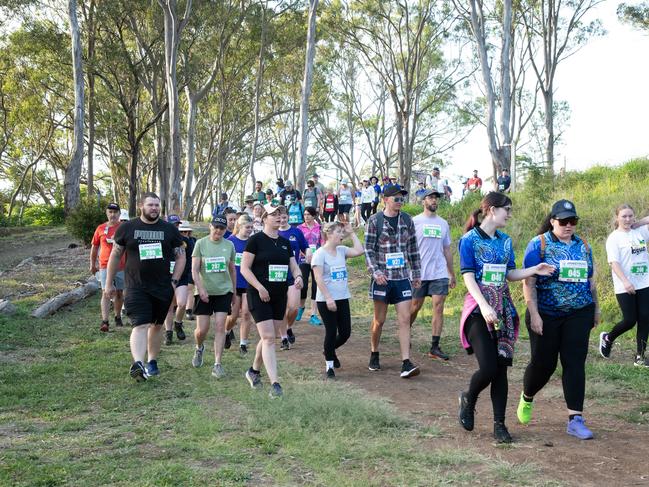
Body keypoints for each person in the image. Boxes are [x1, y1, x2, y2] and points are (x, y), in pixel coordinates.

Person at [457, 192, 554, 443]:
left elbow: (509, 274)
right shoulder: (469, 240)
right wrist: (484, 305)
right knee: (488, 367)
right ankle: (469, 397)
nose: (509, 215)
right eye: (506, 210)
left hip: (503, 311)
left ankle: (499, 425)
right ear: (491, 210)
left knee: (501, 370)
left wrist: (534, 269)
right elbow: (468, 277)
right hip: (478, 310)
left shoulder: (506, 241)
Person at [517, 199, 599, 440]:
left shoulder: (583, 245)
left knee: (574, 363)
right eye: (563, 221)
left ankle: (575, 419)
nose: (568, 225)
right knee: (544, 364)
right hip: (547, 314)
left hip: (579, 312)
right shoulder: (539, 244)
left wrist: (596, 309)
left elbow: (590, 281)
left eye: (573, 221)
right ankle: (527, 395)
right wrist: (535, 314)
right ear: (552, 221)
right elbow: (528, 283)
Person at [104, 192, 185, 381]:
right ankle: (138, 363)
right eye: (150, 205)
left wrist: (174, 280)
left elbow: (181, 256)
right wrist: (109, 283)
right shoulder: (128, 228)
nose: (154, 208)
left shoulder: (169, 229)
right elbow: (115, 255)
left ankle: (152, 360)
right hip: (135, 286)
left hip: (162, 286)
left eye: (157, 205)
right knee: (140, 324)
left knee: (157, 326)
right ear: (142, 206)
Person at [240, 204, 303, 398]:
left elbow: (294, 267)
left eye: (280, 214)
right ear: (265, 218)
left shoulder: (285, 243)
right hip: (259, 294)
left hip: (279, 295)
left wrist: (299, 277)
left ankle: (253, 371)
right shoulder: (255, 240)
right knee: (268, 338)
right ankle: (275, 384)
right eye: (274, 214)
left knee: (268, 337)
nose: (278, 217)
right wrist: (259, 287)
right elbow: (244, 269)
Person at [364, 185, 422, 378]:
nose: (399, 202)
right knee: (379, 321)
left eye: (401, 199)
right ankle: (374, 352)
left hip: (402, 278)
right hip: (382, 279)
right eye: (396, 199)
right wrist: (376, 272)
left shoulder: (407, 220)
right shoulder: (375, 221)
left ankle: (406, 362)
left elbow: (413, 248)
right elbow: (368, 250)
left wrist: (416, 274)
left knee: (405, 319)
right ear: (385, 199)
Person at [312, 221, 364, 379]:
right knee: (331, 331)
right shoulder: (320, 254)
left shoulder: (341, 250)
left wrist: (352, 232)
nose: (342, 235)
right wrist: (328, 298)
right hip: (326, 300)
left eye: (343, 232)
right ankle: (329, 365)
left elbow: (359, 250)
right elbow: (318, 278)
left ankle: (328, 350)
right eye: (339, 232)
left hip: (342, 297)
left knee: (345, 333)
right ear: (329, 234)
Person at [600, 204, 649, 367]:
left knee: (645, 318)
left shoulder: (640, 232)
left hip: (644, 282)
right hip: (624, 285)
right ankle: (608, 338)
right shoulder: (614, 238)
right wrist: (626, 282)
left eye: (630, 216)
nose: (627, 219)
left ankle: (640, 357)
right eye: (624, 216)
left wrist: (639, 223)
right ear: (617, 218)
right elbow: (614, 263)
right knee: (630, 320)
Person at [410, 189, 456, 360]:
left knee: (438, 305)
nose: (434, 201)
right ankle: (405, 332)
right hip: (419, 273)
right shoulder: (414, 221)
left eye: (436, 198)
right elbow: (408, 246)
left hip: (439, 271)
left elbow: (446, 249)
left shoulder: (443, 223)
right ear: (423, 201)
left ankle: (434, 347)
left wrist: (451, 273)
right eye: (430, 198)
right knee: (415, 306)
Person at [190, 214, 236, 378]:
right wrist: (200, 289)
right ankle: (199, 347)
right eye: (216, 227)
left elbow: (232, 269)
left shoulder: (229, 245)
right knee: (202, 330)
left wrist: (234, 292)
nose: (218, 230)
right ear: (210, 227)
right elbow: (195, 270)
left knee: (219, 327)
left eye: (222, 228)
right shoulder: (201, 244)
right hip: (204, 292)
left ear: (226, 229)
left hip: (224, 291)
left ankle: (217, 363)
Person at [90, 202, 126, 332]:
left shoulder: (124, 227)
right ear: (106, 213)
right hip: (104, 265)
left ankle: (117, 316)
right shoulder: (100, 228)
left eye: (115, 212)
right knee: (106, 292)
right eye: (110, 212)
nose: (113, 214)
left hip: (122, 265)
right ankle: (105, 321)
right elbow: (94, 246)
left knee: (120, 293)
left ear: (119, 214)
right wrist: (92, 264)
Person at [225, 214, 255, 356]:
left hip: (249, 283)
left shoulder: (253, 242)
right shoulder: (230, 242)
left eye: (251, 227)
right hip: (234, 283)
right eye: (247, 227)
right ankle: (227, 331)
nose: (250, 230)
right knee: (234, 315)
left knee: (247, 313)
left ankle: (243, 343)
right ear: (239, 226)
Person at [279, 209, 310, 346]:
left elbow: (305, 247)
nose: (282, 220)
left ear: (288, 217)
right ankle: (284, 338)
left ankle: (289, 326)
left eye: (284, 217)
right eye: (279, 217)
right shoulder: (272, 233)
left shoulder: (296, 232)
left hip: (293, 273)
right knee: (280, 308)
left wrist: (308, 253)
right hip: (277, 275)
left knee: (293, 308)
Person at [162, 214, 188, 345]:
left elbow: (190, 259)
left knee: (182, 303)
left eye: (177, 225)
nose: (175, 227)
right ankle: (168, 332)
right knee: (169, 306)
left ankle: (178, 323)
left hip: (182, 277)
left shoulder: (185, 241)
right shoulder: (162, 240)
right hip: (165, 277)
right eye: (173, 225)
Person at [297, 207, 323, 326]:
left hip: (317, 260)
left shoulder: (319, 228)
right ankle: (301, 308)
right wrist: (305, 254)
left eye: (308, 215)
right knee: (303, 286)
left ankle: (313, 314)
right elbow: (297, 244)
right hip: (303, 260)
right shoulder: (299, 228)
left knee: (316, 286)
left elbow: (322, 243)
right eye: (305, 214)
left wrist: (317, 255)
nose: (306, 217)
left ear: (313, 216)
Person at [179, 222, 197, 321]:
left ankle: (189, 310)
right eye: (181, 231)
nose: (184, 233)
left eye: (186, 231)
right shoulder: (175, 240)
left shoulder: (193, 240)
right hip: (177, 268)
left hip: (190, 267)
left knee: (190, 288)